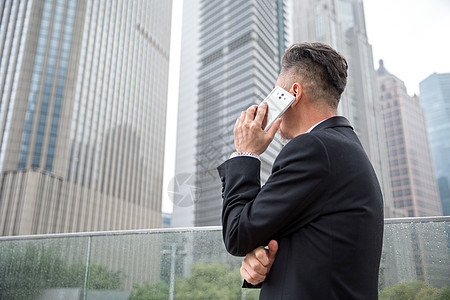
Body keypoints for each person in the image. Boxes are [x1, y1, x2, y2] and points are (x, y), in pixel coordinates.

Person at [217, 42, 384, 299]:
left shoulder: (314, 148)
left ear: (293, 94)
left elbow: (238, 234)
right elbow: (316, 241)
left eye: (275, 94)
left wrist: (246, 153)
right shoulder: (342, 146)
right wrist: (262, 260)